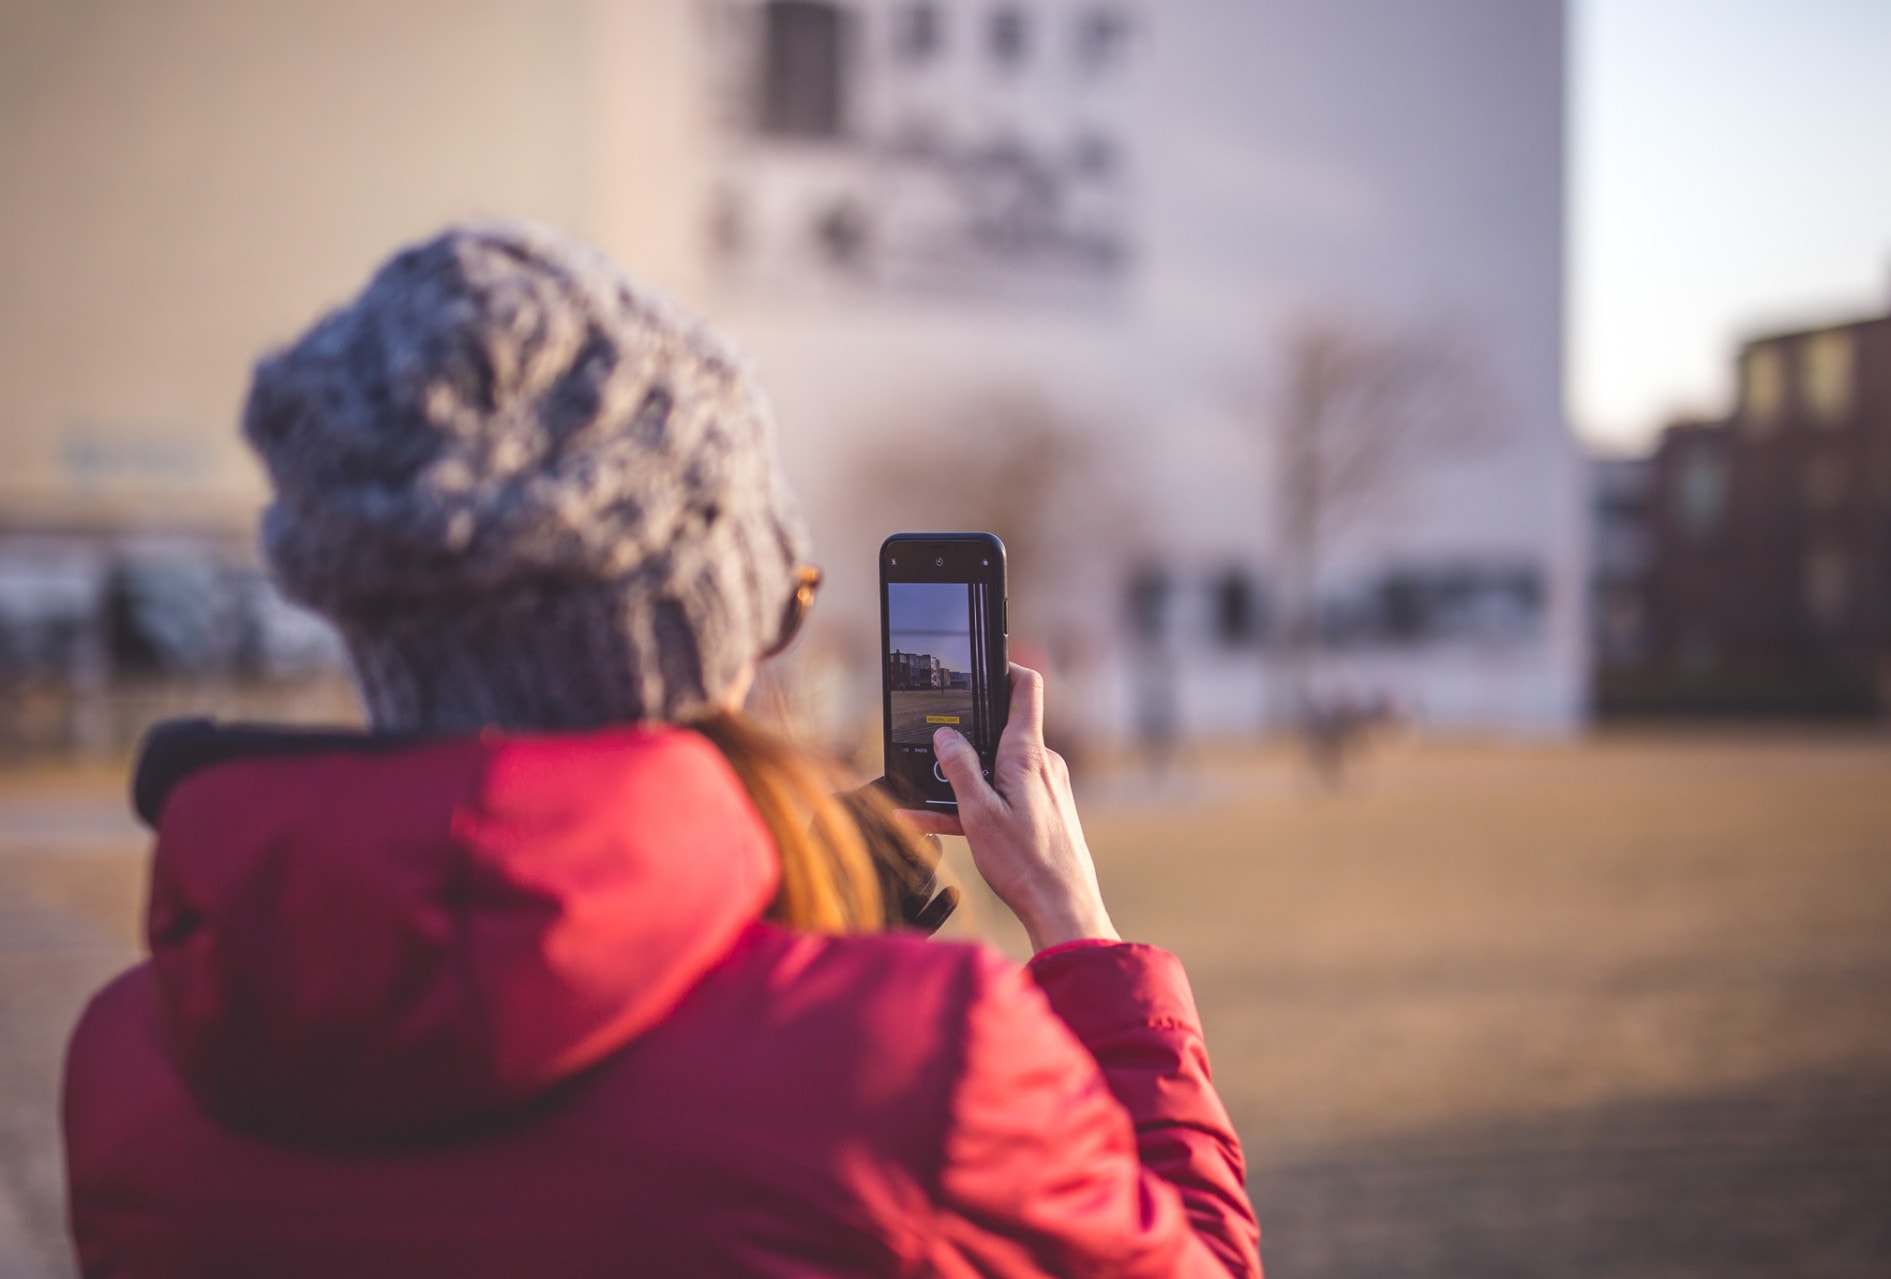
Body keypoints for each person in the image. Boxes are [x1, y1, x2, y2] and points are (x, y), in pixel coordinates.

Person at [61, 222, 1261, 1278]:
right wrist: (1081, 931)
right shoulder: (915, 1064)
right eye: (780, 597)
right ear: (713, 631)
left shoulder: (127, 1072)